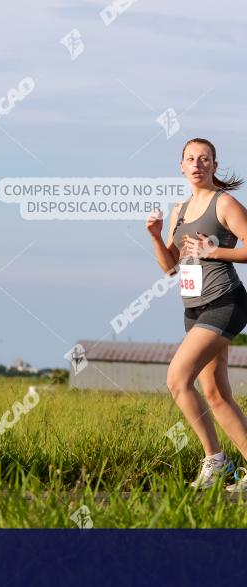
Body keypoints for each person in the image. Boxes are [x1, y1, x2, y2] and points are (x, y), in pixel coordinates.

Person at [147, 137, 247, 492]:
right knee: (216, 393)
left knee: (177, 379)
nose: (197, 164)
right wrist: (157, 237)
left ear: (214, 166)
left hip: (226, 302)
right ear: (181, 166)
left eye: (205, 159)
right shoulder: (180, 209)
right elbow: (171, 268)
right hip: (193, 307)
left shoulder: (225, 204)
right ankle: (224, 465)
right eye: (191, 158)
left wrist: (214, 250)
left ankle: (215, 461)